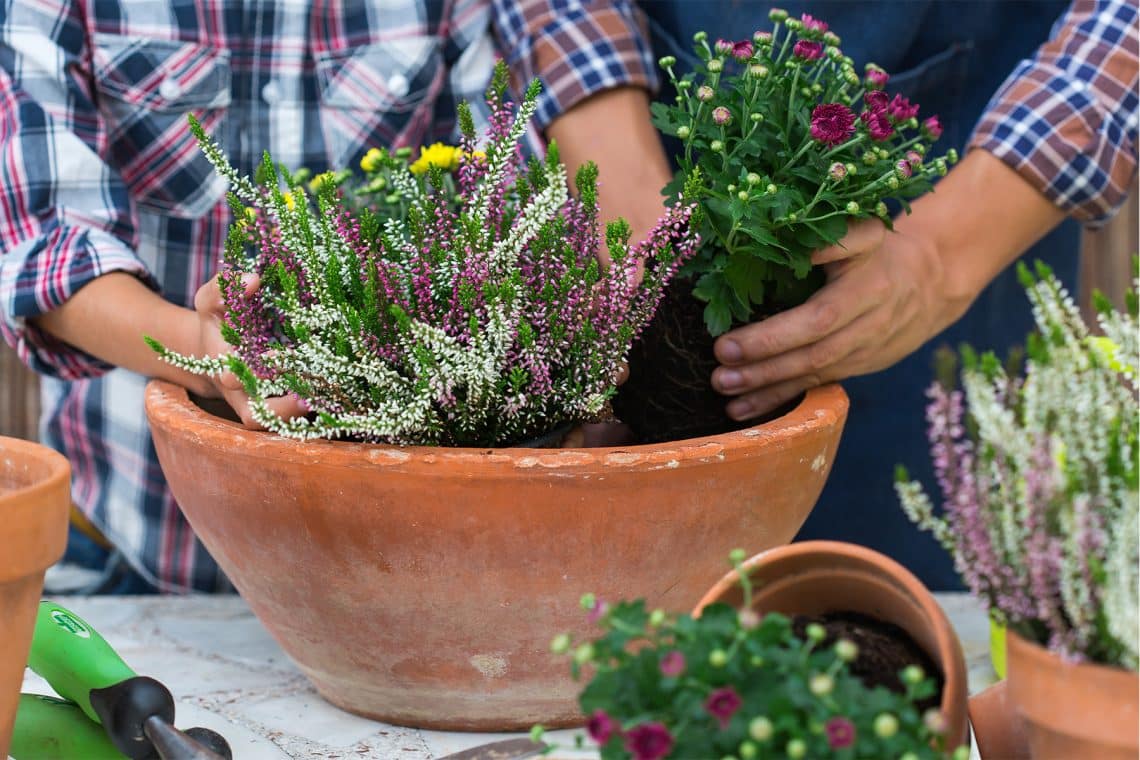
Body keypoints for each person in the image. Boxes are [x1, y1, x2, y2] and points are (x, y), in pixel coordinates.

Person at [0, 0, 664, 593]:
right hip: (139, 550)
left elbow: (494, 193)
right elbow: (47, 248)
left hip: (396, 563)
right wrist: (207, 353)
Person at [615, 0, 1137, 588]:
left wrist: (942, 254)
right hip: (660, 128)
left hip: (976, 182)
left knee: (924, 600)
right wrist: (616, 171)